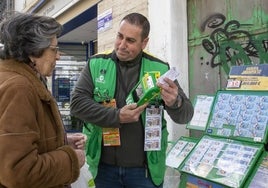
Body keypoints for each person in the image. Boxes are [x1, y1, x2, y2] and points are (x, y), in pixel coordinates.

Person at [70, 12, 194, 188]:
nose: (121, 45)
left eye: (130, 40)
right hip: (102, 169)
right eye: (120, 36)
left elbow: (186, 115)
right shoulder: (96, 63)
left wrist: (175, 103)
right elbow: (77, 104)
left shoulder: (159, 68)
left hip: (144, 172)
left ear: (144, 42)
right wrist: (117, 116)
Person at [0, 13, 86, 188]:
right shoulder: (20, 88)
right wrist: (71, 160)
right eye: (53, 49)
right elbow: (18, 171)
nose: (58, 56)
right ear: (33, 52)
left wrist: (61, 141)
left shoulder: (17, 79)